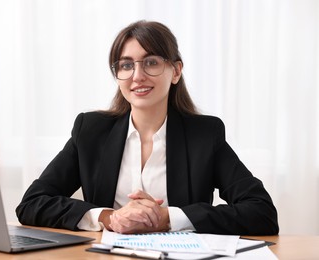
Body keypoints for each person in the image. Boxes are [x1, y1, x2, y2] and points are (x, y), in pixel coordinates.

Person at [16, 20, 279, 235]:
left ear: (175, 71)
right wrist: (110, 217)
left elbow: (261, 211)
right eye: (127, 65)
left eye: (151, 62)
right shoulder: (90, 131)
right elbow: (32, 203)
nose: (137, 76)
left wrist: (167, 218)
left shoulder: (205, 135)